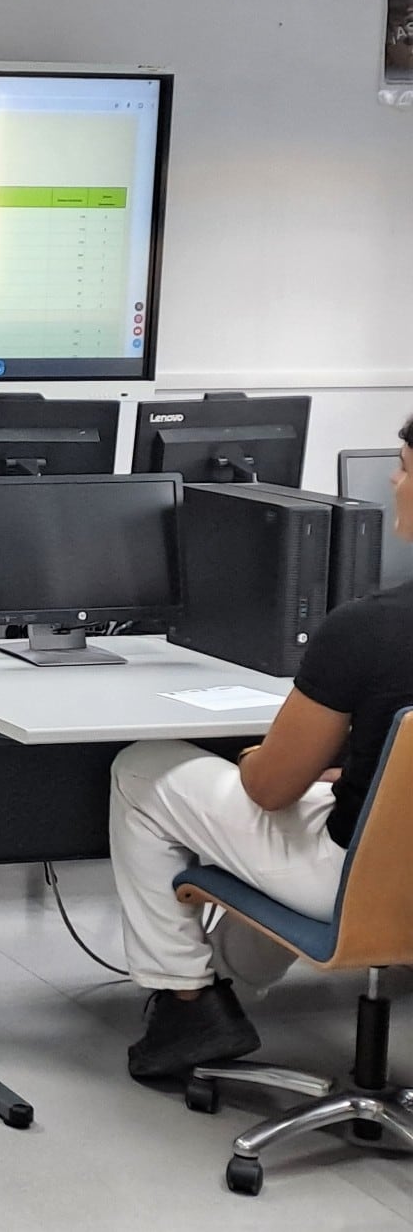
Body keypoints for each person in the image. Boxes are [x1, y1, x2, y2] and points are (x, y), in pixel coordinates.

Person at [110, 416, 413, 1082]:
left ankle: (188, 999)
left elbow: (269, 790)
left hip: (368, 882)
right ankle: (224, 976)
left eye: (405, 466)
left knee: (142, 770)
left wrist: (255, 759)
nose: (393, 480)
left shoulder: (368, 630)